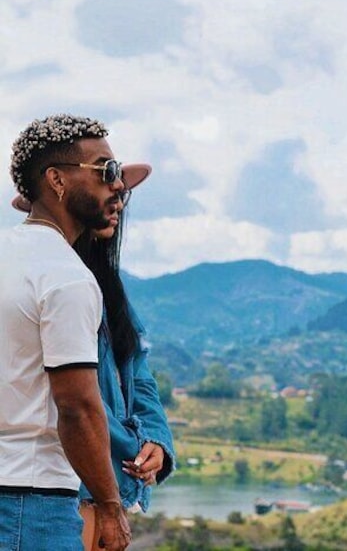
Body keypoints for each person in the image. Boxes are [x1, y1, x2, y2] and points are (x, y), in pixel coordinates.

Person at [13, 164, 176, 550]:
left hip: (104, 479)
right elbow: (78, 401)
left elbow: (138, 375)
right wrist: (129, 450)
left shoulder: (110, 293)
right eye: (107, 192)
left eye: (121, 195)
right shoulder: (54, 284)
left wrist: (156, 440)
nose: (116, 201)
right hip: (66, 480)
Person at [0, 114, 132, 550]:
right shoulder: (65, 277)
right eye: (106, 170)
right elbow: (76, 406)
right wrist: (110, 506)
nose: (118, 184)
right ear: (57, 180)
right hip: (31, 501)